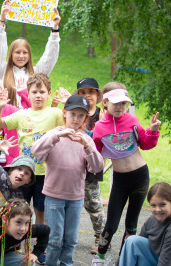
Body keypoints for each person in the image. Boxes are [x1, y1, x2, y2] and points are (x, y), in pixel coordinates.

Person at [0, 72, 63, 264]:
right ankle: (14, 247)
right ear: (28, 94)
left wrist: (65, 103)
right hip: (24, 174)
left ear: (49, 93)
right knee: (17, 211)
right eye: (34, 92)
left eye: (42, 92)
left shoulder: (55, 113)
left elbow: (72, 125)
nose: (38, 95)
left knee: (40, 212)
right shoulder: (22, 114)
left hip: (45, 174)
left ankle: (39, 250)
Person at [91, 85, 162, 265]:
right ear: (105, 102)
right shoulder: (99, 127)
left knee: (132, 223)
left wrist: (152, 130)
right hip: (120, 180)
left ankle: (124, 258)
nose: (120, 107)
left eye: (124, 103)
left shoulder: (131, 120)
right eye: (116, 103)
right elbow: (95, 155)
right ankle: (100, 257)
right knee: (112, 223)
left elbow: (145, 144)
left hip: (140, 177)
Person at [32, 95, 104, 265]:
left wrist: (87, 146)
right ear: (64, 113)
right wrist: (58, 136)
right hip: (54, 195)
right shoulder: (55, 133)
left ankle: (66, 263)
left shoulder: (85, 139)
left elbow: (97, 166)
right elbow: (37, 153)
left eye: (81, 116)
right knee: (55, 239)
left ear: (86, 118)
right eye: (73, 114)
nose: (76, 119)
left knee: (71, 239)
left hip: (76, 197)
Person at [0, 0, 61, 109]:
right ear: (11, 54)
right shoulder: (1, 70)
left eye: (25, 53)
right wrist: (1, 20)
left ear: (29, 55)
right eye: (17, 52)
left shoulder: (36, 73)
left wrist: (55, 29)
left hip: (29, 121)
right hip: (7, 121)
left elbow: (50, 57)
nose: (21, 56)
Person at [74, 78, 106, 254]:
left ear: (97, 94)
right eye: (83, 93)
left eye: (91, 92)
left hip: (91, 166)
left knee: (93, 203)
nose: (87, 96)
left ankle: (100, 236)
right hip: (72, 163)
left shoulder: (102, 114)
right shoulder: (76, 111)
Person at [119, 182, 171, 266]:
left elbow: (167, 262)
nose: (157, 210)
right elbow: (135, 248)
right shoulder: (152, 219)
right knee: (132, 241)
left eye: (162, 205)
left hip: (168, 263)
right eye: (153, 205)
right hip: (155, 260)